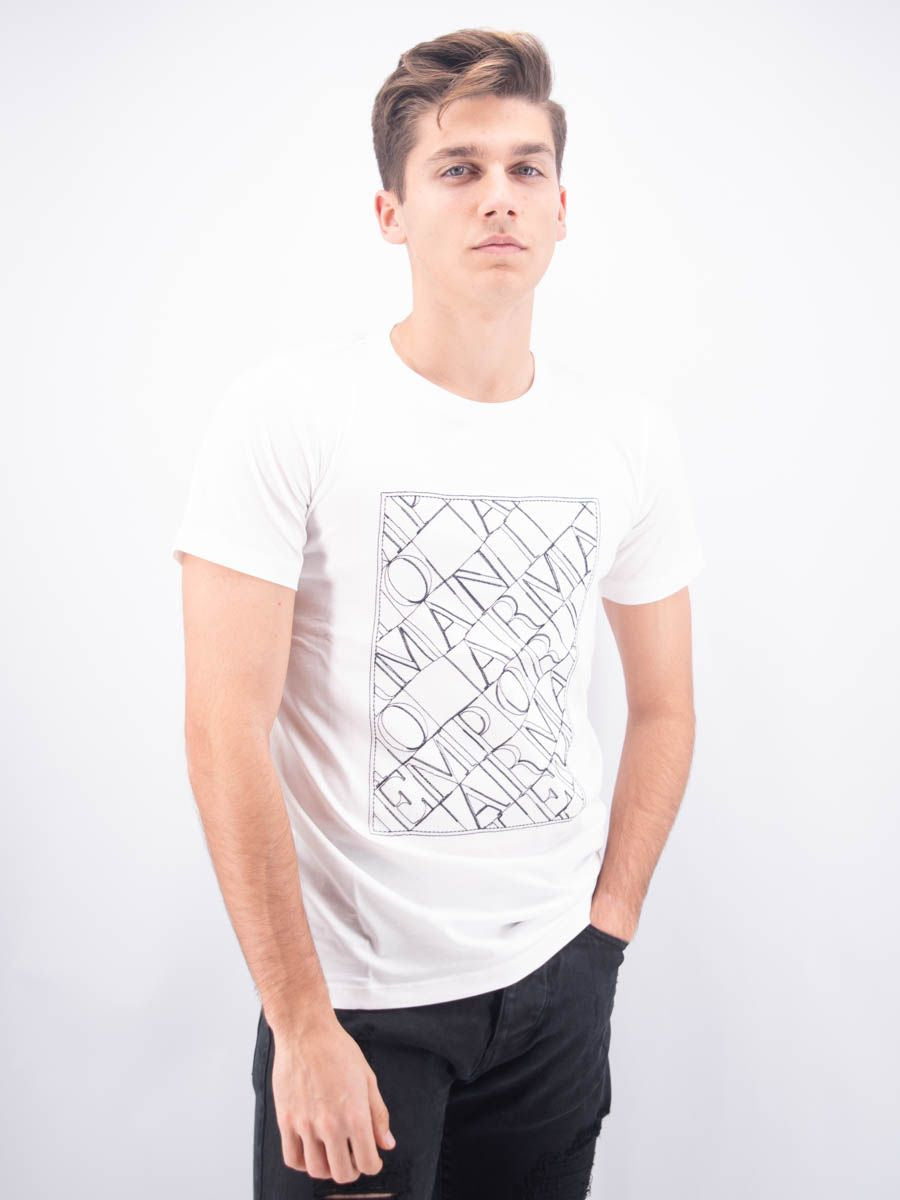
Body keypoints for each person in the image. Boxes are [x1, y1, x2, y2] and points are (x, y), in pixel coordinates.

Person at [171, 26, 706, 1200]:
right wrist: (301, 1022)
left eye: (526, 168)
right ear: (392, 213)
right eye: (459, 168)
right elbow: (223, 732)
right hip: (359, 1012)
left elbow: (665, 707)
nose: (498, 196)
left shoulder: (627, 439)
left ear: (561, 207)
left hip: (558, 991)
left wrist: (605, 939)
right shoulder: (289, 414)